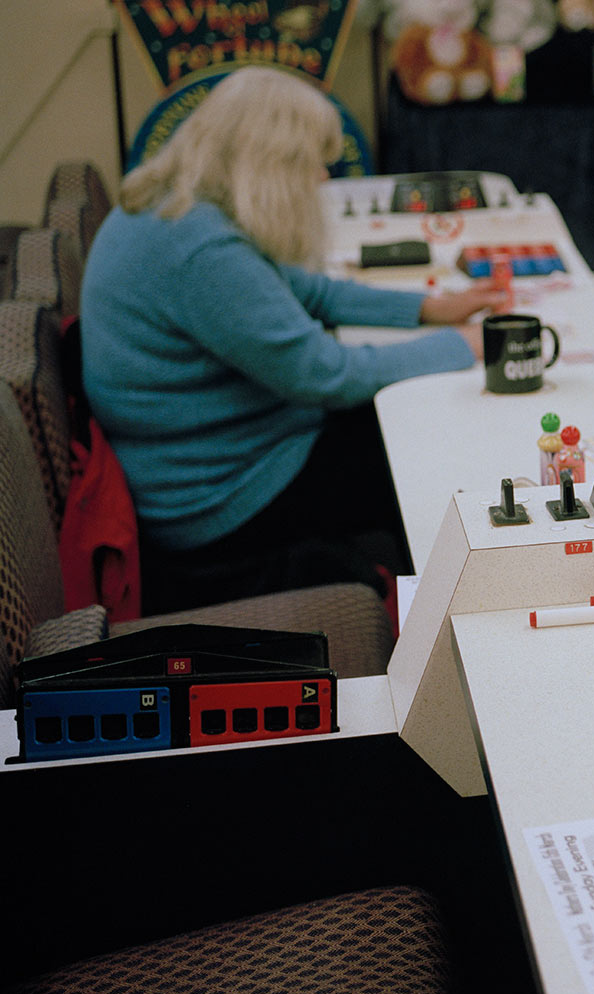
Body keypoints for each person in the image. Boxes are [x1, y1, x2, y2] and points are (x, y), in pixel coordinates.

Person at [81, 68, 501, 614]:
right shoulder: (201, 251)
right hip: (221, 499)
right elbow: (326, 374)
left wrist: (429, 310)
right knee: (428, 445)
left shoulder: (176, 205)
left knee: (410, 424)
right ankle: (451, 610)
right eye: (314, 162)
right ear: (272, 164)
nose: (324, 178)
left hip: (219, 459)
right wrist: (462, 347)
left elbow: (307, 291)